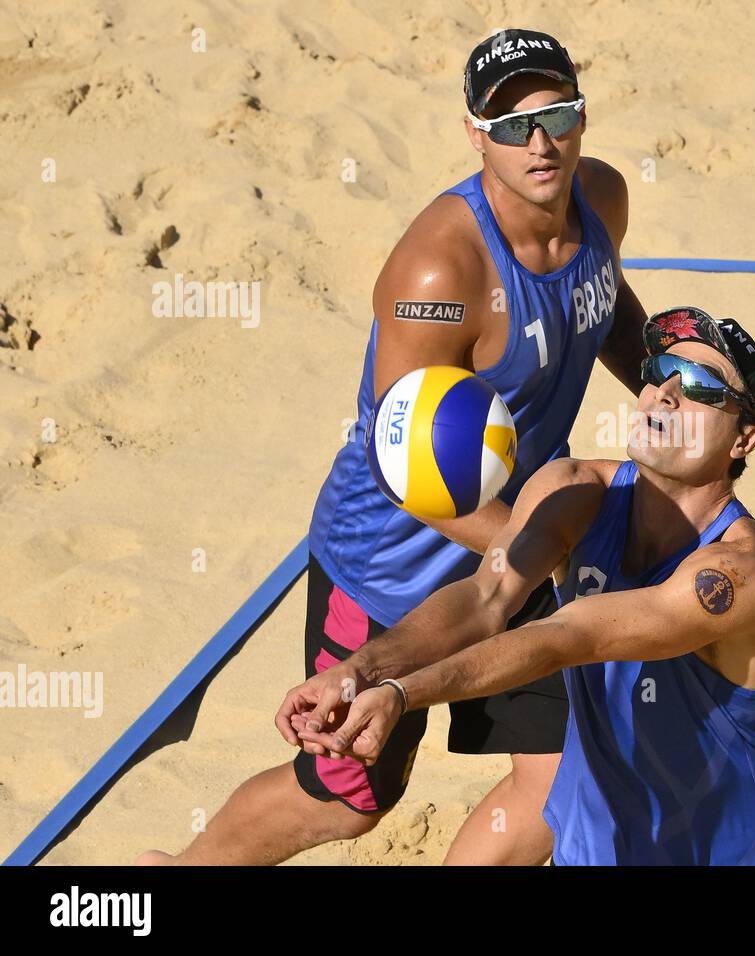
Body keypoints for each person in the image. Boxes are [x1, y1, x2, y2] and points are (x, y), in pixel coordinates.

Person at [139, 28, 651, 865]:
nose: (539, 141)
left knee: (563, 778)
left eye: (555, 114)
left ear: (582, 115)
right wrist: (531, 548)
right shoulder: (437, 272)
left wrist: (666, 383)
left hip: (514, 551)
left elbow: (606, 305)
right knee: (347, 800)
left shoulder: (604, 202)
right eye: (511, 122)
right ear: (473, 132)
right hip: (392, 567)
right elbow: (398, 462)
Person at [284, 307, 755, 865]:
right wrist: (361, 670)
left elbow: (570, 637)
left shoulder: (741, 571)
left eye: (700, 387)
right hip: (595, 850)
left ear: (746, 439)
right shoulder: (572, 490)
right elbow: (482, 599)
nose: (665, 393)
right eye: (660, 369)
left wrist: (403, 693)